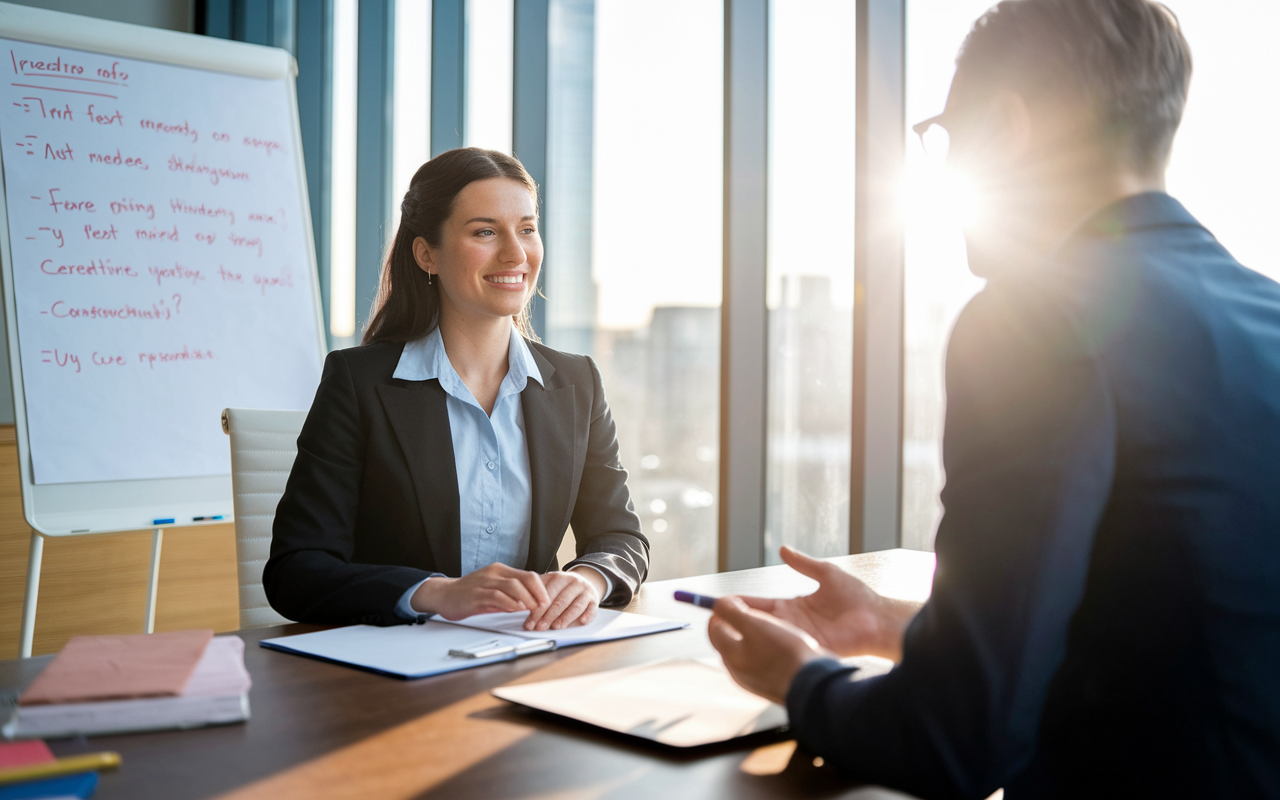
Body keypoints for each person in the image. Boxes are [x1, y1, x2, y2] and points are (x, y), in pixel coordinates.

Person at [709, 0, 1280, 796]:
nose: (941, 170)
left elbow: (957, 742)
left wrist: (799, 680)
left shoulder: (1036, 315)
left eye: (945, 135)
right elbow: (1170, 640)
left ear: (1007, 128)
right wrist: (889, 623)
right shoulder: (1265, 312)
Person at [265, 148, 648, 632]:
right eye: (485, 232)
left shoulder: (577, 383)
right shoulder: (358, 383)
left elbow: (621, 536)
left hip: (527, 651)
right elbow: (295, 571)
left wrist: (588, 580)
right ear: (427, 253)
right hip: (394, 665)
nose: (515, 253)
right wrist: (439, 593)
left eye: (527, 229)